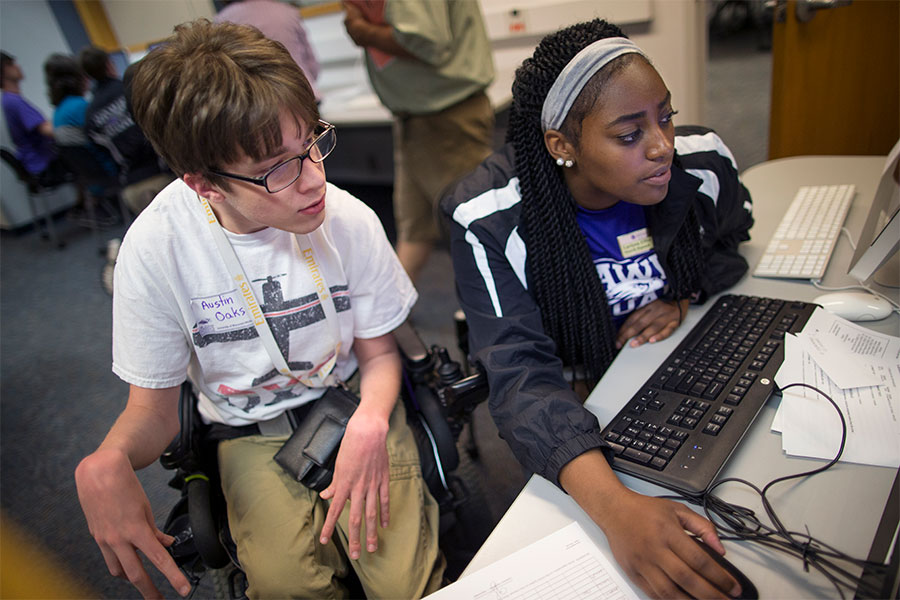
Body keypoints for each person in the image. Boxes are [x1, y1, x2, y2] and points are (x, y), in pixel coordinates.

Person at [74, 19, 444, 600]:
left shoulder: (348, 219)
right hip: (247, 430)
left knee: (405, 587)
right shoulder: (156, 250)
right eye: (276, 168)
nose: (314, 179)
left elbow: (378, 349)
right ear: (205, 185)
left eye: (311, 144)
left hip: (352, 401)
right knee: (288, 586)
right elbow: (154, 411)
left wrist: (373, 420)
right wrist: (110, 457)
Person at [442, 19, 754, 600]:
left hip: (666, 359)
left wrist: (678, 294)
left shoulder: (701, 162)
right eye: (628, 135)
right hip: (574, 388)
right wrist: (618, 512)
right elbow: (520, 376)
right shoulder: (488, 216)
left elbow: (730, 237)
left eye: (665, 115)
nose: (662, 145)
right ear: (562, 145)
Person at [342, 0, 495, 282]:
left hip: (444, 116)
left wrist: (362, 31)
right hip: (419, 116)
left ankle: (496, 317)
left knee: (477, 227)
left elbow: (426, 41)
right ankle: (392, 313)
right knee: (416, 227)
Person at [78, 46, 174, 215]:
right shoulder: (133, 90)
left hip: (130, 188)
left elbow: (101, 153)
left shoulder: (90, 115)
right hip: (166, 176)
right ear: (109, 64)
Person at [214, 0, 321, 102]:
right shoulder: (287, 11)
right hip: (304, 92)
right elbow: (312, 65)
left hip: (260, 102)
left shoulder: (224, 20)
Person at [1, 51, 68, 186]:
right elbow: (47, 130)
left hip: (35, 163)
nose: (18, 67)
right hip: (44, 166)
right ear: (4, 71)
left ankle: (86, 201)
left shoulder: (9, 100)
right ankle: (93, 200)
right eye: (12, 64)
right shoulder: (14, 102)